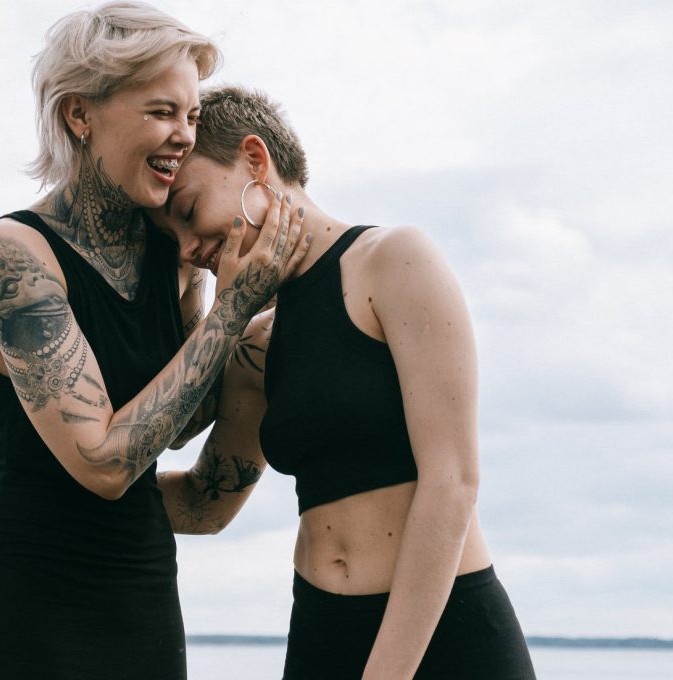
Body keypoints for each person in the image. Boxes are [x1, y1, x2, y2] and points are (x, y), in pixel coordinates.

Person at [0, 5, 309, 677]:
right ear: (80, 115)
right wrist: (231, 314)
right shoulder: (15, 255)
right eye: (163, 112)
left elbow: (175, 419)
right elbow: (105, 464)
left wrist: (255, 334)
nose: (183, 137)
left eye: (193, 118)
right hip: (23, 608)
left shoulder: (165, 249)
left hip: (141, 599)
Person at [152, 86, 538, 680]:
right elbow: (206, 503)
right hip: (320, 635)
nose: (187, 246)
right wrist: (44, 501)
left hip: (442, 638)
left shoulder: (394, 260)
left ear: (255, 161)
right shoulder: (255, 344)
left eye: (188, 211)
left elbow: (452, 482)